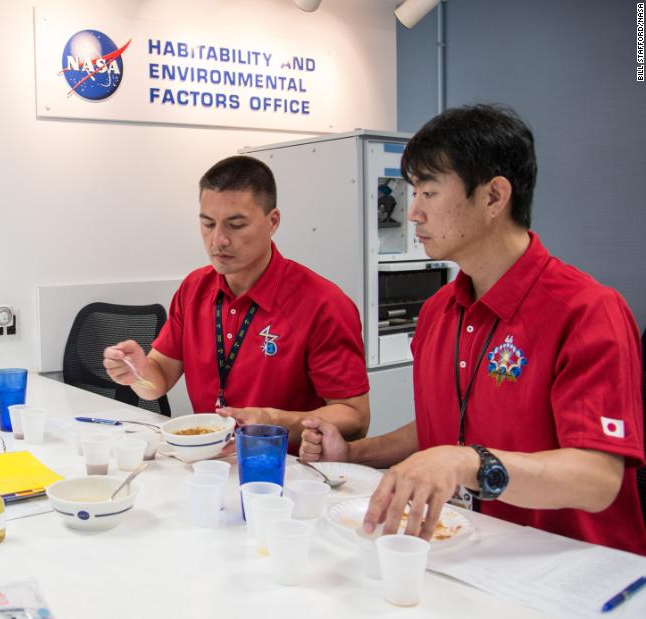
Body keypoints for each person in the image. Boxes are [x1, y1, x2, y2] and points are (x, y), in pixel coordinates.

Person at [299, 104, 646, 555]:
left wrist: (467, 462)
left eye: (429, 191)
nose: (413, 213)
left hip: (571, 570)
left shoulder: (586, 311)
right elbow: (442, 430)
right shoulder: (441, 310)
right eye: (413, 192)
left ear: (493, 197)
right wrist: (352, 455)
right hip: (470, 551)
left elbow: (597, 480)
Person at [103, 155, 370, 445]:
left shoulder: (323, 303)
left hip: (287, 469)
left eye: (236, 225)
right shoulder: (194, 288)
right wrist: (137, 372)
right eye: (208, 223)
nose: (218, 240)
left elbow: (355, 418)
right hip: (211, 464)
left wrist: (275, 421)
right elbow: (158, 380)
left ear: (273, 221)